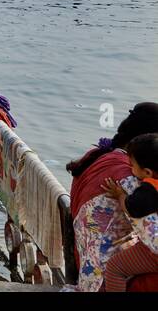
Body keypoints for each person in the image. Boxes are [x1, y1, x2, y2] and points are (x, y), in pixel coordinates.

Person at [67, 102, 158, 291]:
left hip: (86, 265)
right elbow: (151, 233)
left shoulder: (98, 155)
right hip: (105, 279)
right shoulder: (129, 179)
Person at [101, 134, 158, 291]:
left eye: (132, 165)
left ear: (147, 172)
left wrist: (120, 194)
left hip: (154, 252)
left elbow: (131, 207)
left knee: (114, 267)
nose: (130, 169)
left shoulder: (150, 189)